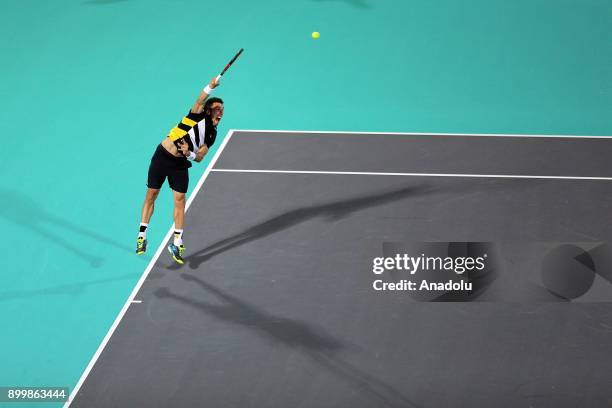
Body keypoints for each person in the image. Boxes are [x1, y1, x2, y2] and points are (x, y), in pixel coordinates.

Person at [136, 76, 224, 265]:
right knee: (152, 194)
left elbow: (200, 157)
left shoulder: (212, 134)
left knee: (180, 200)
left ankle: (177, 242)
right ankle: (142, 235)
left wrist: (189, 153)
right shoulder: (196, 116)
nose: (221, 112)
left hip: (180, 164)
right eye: (217, 109)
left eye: (222, 110)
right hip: (162, 156)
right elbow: (200, 100)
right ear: (208, 111)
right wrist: (210, 86)